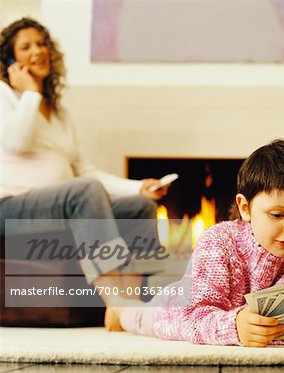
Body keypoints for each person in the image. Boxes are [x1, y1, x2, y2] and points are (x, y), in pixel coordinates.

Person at [0, 18, 172, 307]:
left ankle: (131, 303)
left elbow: (83, 170)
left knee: (139, 207)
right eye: (25, 47)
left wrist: (137, 188)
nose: (37, 51)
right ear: (9, 60)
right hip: (10, 208)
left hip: (60, 208)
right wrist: (30, 92)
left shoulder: (58, 113)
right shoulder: (5, 95)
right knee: (85, 191)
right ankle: (114, 301)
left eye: (41, 44)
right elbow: (17, 141)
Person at [107, 139, 284, 347]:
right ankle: (121, 309)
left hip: (236, 321)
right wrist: (234, 326)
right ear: (245, 208)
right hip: (176, 309)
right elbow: (194, 317)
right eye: (276, 215)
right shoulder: (219, 242)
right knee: (141, 318)